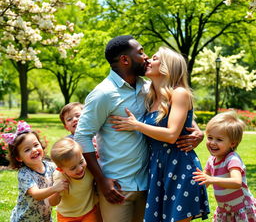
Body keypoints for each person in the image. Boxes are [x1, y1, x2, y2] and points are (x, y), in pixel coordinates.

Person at [74, 35, 204, 222]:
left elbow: (175, 107)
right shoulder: (103, 94)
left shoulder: (148, 88)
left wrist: (197, 132)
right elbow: (82, 135)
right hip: (118, 185)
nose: (146, 57)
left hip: (150, 181)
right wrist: (102, 180)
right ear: (125, 60)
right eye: (141, 52)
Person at [111, 47, 210, 221]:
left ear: (167, 66)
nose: (148, 60)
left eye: (155, 58)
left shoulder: (179, 93)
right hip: (157, 168)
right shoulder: (150, 95)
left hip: (179, 167)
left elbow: (172, 134)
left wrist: (136, 125)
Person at [193, 111, 256, 221]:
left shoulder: (232, 159)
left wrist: (211, 179)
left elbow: (237, 182)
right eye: (210, 137)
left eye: (219, 139)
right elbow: (204, 182)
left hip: (240, 209)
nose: (212, 142)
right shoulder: (211, 160)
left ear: (232, 143)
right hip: (225, 211)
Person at [2, 121, 68, 222]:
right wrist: (55, 188)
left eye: (36, 145)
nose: (34, 150)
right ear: (19, 158)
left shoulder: (51, 167)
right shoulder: (24, 173)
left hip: (44, 218)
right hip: (25, 219)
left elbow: (64, 169)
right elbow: (36, 194)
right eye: (27, 150)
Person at [49, 138, 100, 222]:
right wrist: (56, 191)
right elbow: (52, 203)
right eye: (73, 168)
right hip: (67, 216)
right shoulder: (61, 178)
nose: (80, 168)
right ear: (61, 170)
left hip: (89, 211)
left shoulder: (88, 168)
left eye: (81, 162)